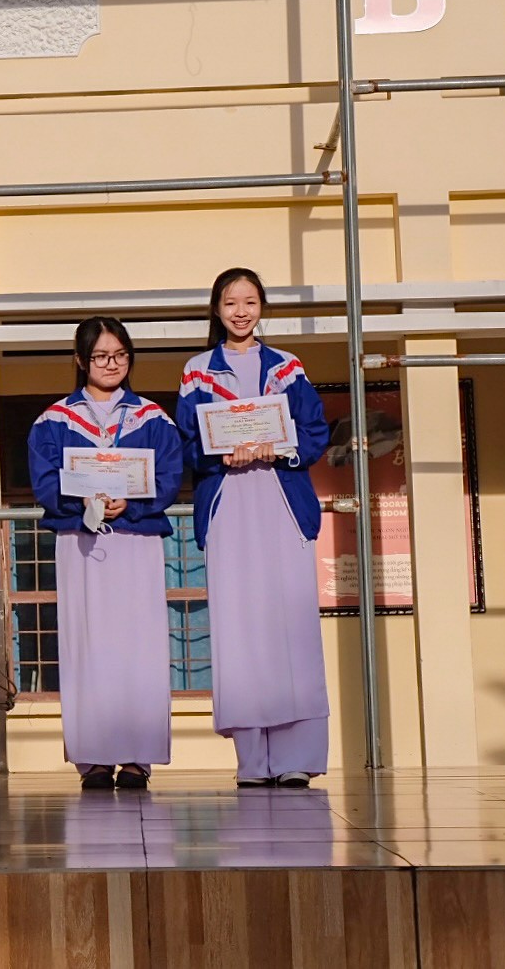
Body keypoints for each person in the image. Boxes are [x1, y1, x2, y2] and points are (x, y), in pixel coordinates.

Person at [176, 268, 331, 788]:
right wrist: (222, 452)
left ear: (262, 306)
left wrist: (281, 448)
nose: (240, 312)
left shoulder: (288, 366)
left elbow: (314, 431)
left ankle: (297, 758)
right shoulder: (197, 371)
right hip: (230, 501)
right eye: (229, 302)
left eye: (249, 301)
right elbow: (189, 442)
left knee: (291, 626)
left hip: (281, 501)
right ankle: (252, 762)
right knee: (239, 626)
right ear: (216, 309)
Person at [27, 316, 183, 791]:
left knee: (139, 644)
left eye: (119, 355)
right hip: (81, 540)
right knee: (88, 643)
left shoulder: (153, 418)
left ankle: (138, 757)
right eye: (100, 356)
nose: (111, 364)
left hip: (136, 540)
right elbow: (44, 480)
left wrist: (130, 502)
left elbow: (169, 476)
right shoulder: (54, 420)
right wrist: (84, 503)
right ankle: (93, 757)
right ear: (81, 360)